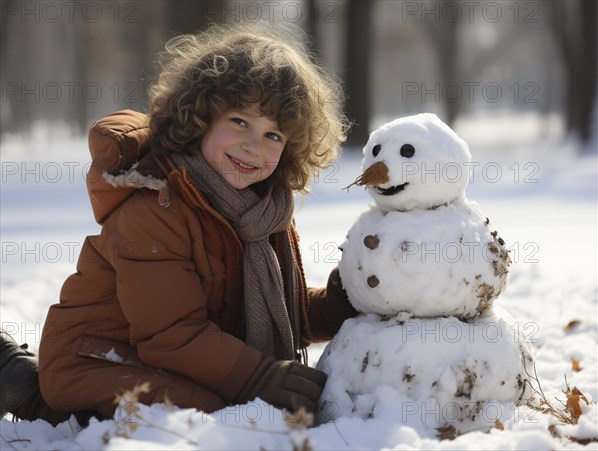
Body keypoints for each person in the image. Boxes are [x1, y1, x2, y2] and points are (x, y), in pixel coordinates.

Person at [0, 22, 357, 424]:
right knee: (212, 416)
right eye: (240, 121)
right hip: (98, 359)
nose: (254, 146)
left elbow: (277, 311)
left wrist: (342, 302)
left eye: (273, 135)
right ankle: (26, 389)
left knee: (235, 406)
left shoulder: (262, 214)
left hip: (175, 357)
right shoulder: (156, 207)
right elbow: (170, 334)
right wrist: (259, 377)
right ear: (201, 117)